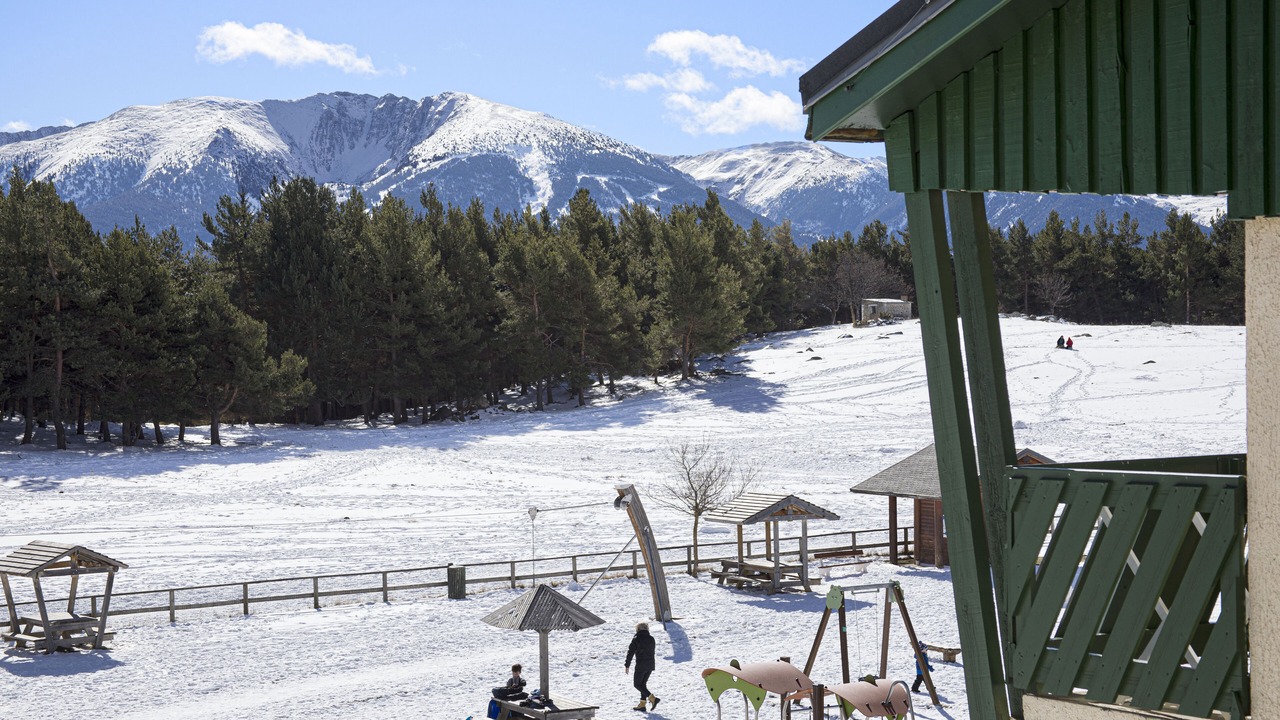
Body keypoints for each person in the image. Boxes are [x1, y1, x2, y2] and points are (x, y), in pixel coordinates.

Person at [625, 622, 659, 711]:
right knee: (642, 684)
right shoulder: (651, 639)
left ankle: (653, 699)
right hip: (651, 665)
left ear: (638, 629)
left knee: (637, 684)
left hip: (641, 665)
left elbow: (630, 652)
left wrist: (627, 664)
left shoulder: (636, 639)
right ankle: (642, 704)